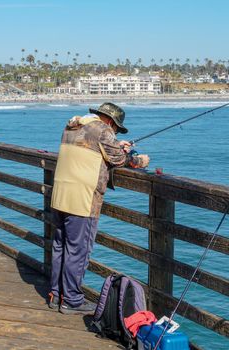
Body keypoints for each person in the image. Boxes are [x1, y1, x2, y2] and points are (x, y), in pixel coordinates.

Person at [49, 102, 150, 315]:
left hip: (60, 195)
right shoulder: (103, 130)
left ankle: (55, 294)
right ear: (111, 121)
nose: (114, 132)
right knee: (78, 250)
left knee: (60, 246)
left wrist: (115, 144)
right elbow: (119, 158)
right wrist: (139, 160)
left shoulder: (72, 126)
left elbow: (96, 148)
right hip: (83, 199)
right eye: (115, 128)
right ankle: (72, 301)